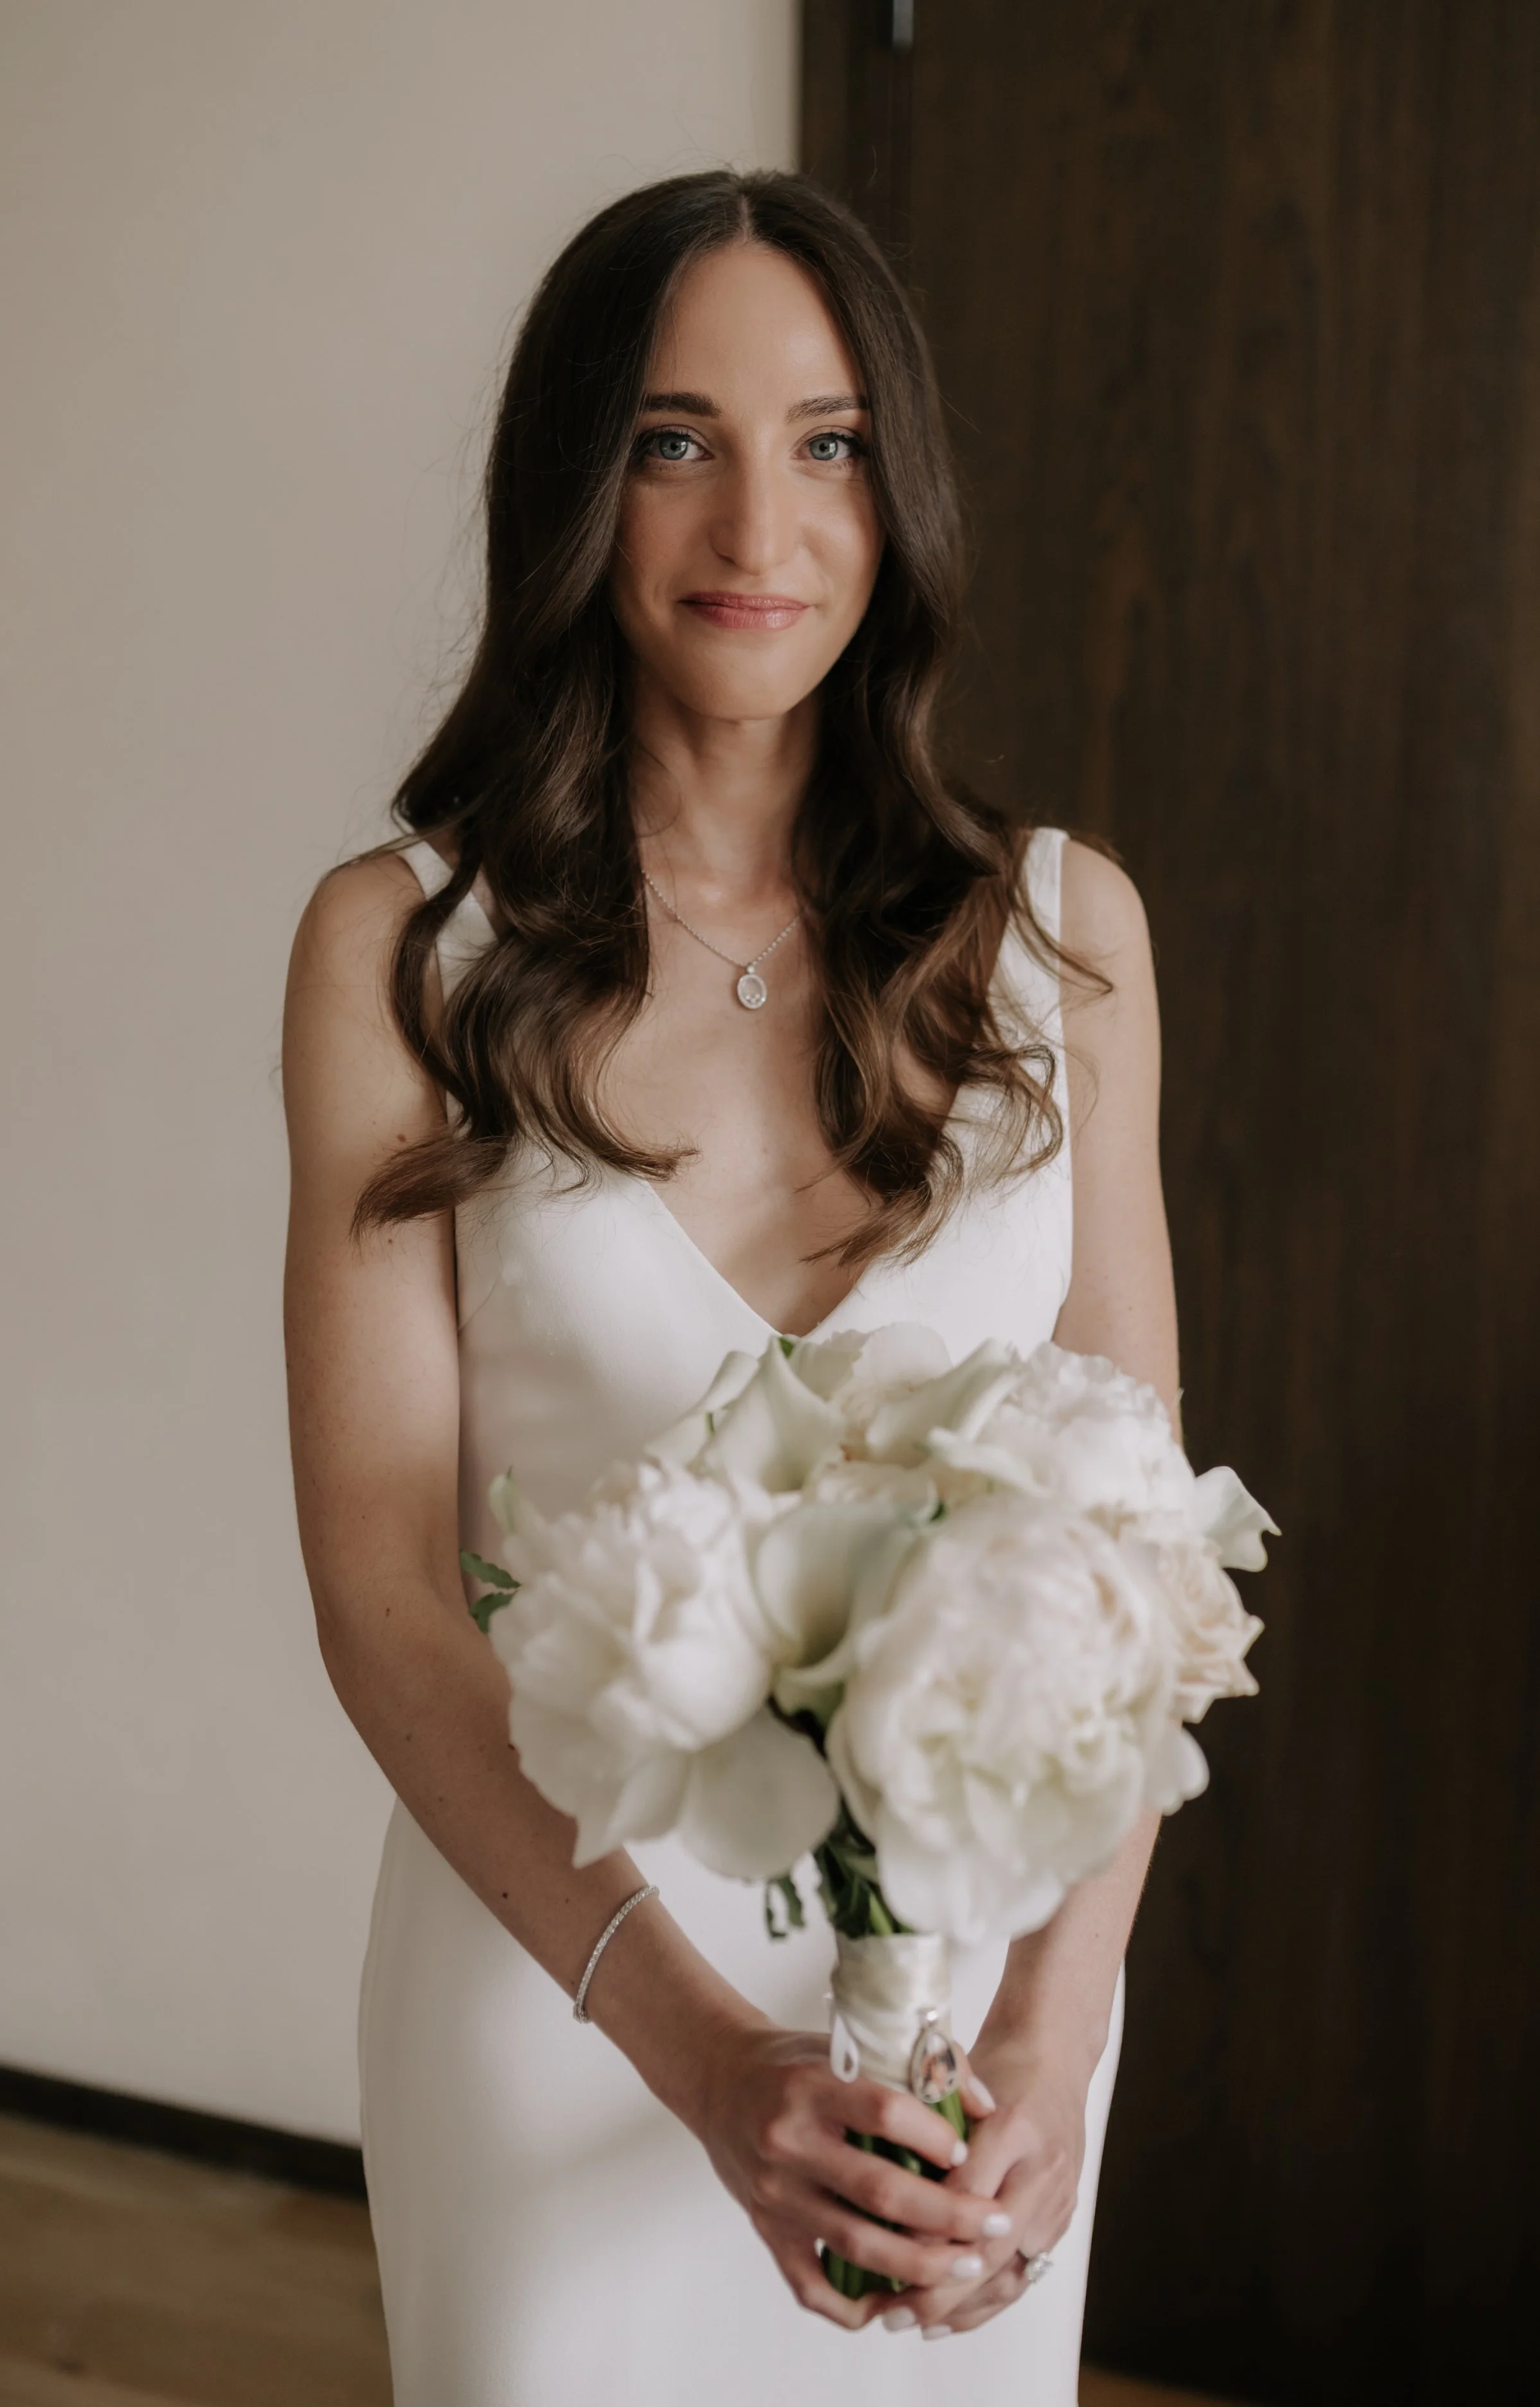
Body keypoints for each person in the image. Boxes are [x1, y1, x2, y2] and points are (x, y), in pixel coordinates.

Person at [282, 169, 1175, 2407]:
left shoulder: (1065, 937)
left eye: (829, 442)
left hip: (970, 2037)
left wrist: (1054, 2029)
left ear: (901, 491)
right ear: (574, 486)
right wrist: (700, 2055)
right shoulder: (401, 952)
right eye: (673, 439)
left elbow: (1141, 1563)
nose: (757, 523)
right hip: (563, 1985)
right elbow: (383, 1589)